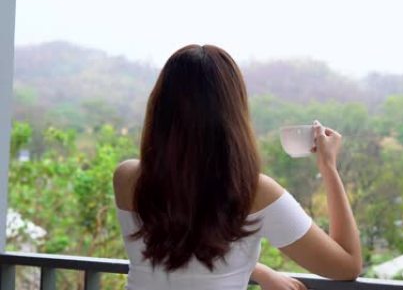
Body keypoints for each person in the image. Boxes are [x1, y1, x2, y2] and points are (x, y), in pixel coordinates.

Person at [113, 44, 362, 290]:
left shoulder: (127, 179)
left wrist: (256, 269)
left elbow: (188, 243)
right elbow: (347, 265)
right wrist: (328, 167)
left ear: (160, 108)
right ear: (233, 113)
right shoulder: (255, 192)